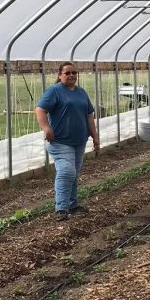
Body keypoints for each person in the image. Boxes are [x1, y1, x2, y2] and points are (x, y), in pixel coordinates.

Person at [35, 62, 100, 221]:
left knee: (73, 173)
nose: (71, 75)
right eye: (67, 73)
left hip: (79, 140)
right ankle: (61, 208)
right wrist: (47, 128)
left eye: (74, 73)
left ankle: (72, 204)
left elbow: (89, 115)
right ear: (60, 75)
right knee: (67, 172)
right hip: (60, 141)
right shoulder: (54, 91)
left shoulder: (81, 92)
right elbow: (40, 110)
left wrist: (95, 136)